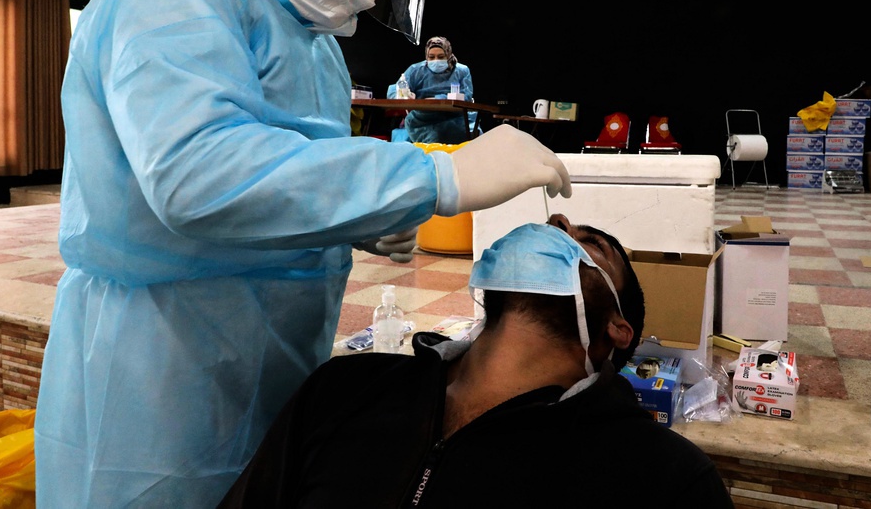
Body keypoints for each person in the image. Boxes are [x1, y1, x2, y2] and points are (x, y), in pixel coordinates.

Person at [33, 0, 572, 508]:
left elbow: (294, 177)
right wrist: (431, 176)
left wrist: (363, 220)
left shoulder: (320, 52)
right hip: (155, 365)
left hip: (279, 364)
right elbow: (197, 176)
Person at [218, 214, 735, 507]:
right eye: (554, 228)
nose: (557, 223)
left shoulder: (664, 479)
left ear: (616, 330)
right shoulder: (345, 387)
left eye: (588, 244)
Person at [400, 35, 477, 144]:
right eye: (431, 57)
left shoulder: (461, 71)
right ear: (426, 56)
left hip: (456, 118)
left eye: (441, 57)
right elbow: (396, 89)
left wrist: (438, 99)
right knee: (434, 138)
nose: (436, 60)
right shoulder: (415, 70)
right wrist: (405, 95)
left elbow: (467, 96)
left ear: (448, 55)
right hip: (423, 119)